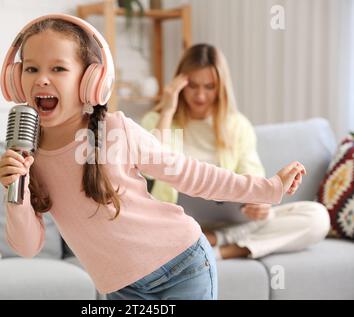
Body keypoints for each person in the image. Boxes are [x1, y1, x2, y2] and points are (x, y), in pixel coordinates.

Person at [0, 15, 305, 300]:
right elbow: (26, 246)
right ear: (15, 78)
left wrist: (269, 188)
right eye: (31, 68)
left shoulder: (116, 131)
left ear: (90, 80)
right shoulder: (25, 154)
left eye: (58, 68)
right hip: (122, 290)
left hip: (183, 266)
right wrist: (16, 193)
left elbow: (191, 175)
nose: (42, 79)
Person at [141, 43, 329, 260]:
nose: (200, 96)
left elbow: (255, 181)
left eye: (209, 87)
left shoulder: (238, 126)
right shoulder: (157, 121)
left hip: (230, 223)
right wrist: (167, 110)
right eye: (193, 86)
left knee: (316, 217)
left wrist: (261, 205)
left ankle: (218, 245)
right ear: (179, 85)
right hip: (176, 225)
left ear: (220, 88)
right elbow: (150, 170)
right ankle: (212, 240)